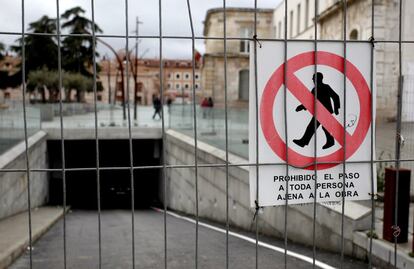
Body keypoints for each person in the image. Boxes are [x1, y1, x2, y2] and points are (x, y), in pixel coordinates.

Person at [292, 72, 340, 150]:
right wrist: (301, 107)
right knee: (318, 127)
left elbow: (335, 97)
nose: (313, 80)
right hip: (320, 112)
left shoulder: (326, 87)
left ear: (318, 79)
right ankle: (329, 141)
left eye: (314, 78)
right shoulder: (314, 89)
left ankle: (304, 142)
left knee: (314, 127)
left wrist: (336, 108)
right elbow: (309, 101)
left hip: (325, 112)